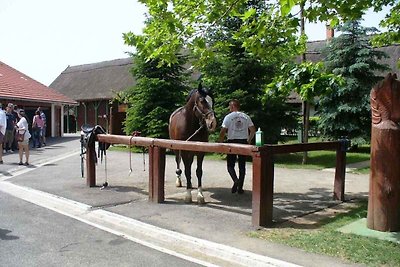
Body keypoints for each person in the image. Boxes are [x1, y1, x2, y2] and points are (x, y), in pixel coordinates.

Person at [218, 99, 256, 194]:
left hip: (232, 142)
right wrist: (249, 140)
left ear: (232, 106)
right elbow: (253, 130)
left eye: (230, 107)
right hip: (243, 142)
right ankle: (240, 188)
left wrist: (221, 142)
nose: (229, 109)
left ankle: (235, 180)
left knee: (230, 165)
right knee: (242, 166)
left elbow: (223, 131)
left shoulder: (228, 117)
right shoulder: (246, 117)